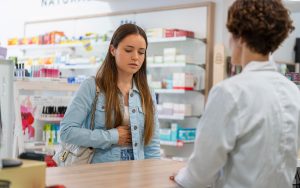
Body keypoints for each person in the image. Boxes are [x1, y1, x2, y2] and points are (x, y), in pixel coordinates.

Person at [171, 0, 300, 187]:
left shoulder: (230, 92)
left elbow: (200, 174)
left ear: (240, 38)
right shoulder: (292, 91)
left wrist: (183, 176)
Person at [60, 24, 160, 163]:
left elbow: (152, 146)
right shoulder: (92, 86)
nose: (135, 57)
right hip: (100, 174)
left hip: (137, 174)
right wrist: (112, 136)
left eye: (141, 52)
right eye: (128, 50)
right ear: (113, 50)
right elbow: (67, 131)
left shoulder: (147, 93)